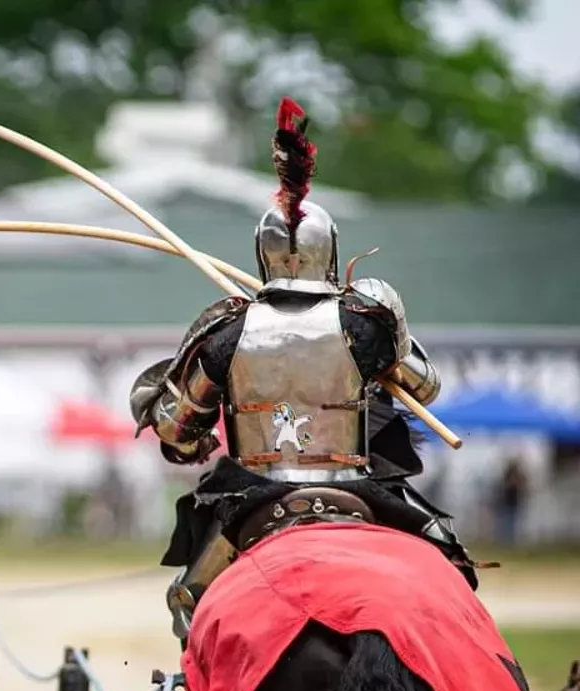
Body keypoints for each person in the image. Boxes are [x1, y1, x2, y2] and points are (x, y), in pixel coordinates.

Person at [129, 97, 477, 636]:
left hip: (257, 494)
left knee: (189, 600)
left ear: (261, 254)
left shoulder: (226, 331)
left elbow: (177, 433)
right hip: (355, 488)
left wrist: (184, 430)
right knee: (451, 571)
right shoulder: (365, 321)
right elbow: (425, 389)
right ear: (330, 253)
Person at [494, 458, 527, 546]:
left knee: (513, 523)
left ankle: (510, 541)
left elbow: (522, 487)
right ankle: (506, 541)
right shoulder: (507, 477)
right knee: (507, 522)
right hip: (507, 503)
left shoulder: (518, 476)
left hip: (514, 503)